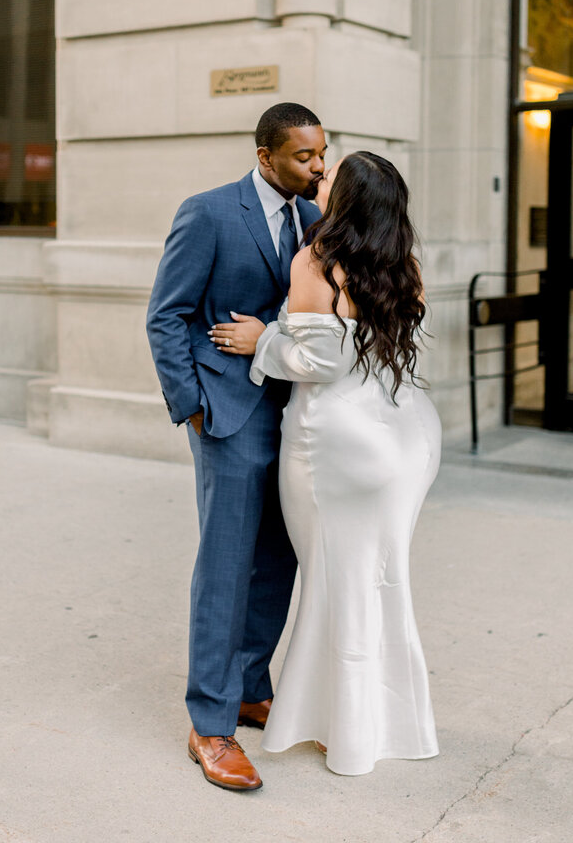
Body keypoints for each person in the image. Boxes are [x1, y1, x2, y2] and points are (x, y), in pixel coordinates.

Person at [209, 151, 441, 776]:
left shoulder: (316, 260)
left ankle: (347, 732)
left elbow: (320, 363)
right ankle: (384, 721)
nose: (319, 176)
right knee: (380, 580)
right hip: (407, 438)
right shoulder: (404, 265)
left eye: (330, 175)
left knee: (337, 581)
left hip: (337, 443)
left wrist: (265, 339)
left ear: (350, 198)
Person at [146, 103, 327, 792]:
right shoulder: (209, 212)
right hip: (227, 414)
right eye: (303, 157)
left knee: (280, 557)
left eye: (321, 154)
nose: (316, 167)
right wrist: (191, 404)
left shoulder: (315, 221)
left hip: (298, 412)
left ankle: (252, 686)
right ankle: (211, 725)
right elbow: (167, 313)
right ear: (265, 156)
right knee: (227, 568)